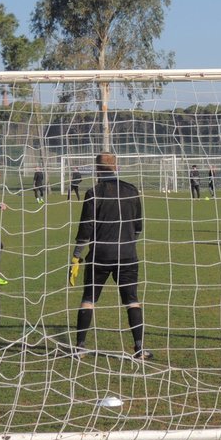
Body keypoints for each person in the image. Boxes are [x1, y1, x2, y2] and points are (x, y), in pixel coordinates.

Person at [68, 152, 151, 360]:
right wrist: (129, 243)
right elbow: (139, 226)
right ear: (116, 166)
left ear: (97, 169)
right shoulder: (132, 190)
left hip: (100, 255)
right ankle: (140, 349)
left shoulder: (94, 192)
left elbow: (86, 227)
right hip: (128, 254)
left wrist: (76, 256)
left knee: (89, 299)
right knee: (132, 300)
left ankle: (80, 347)